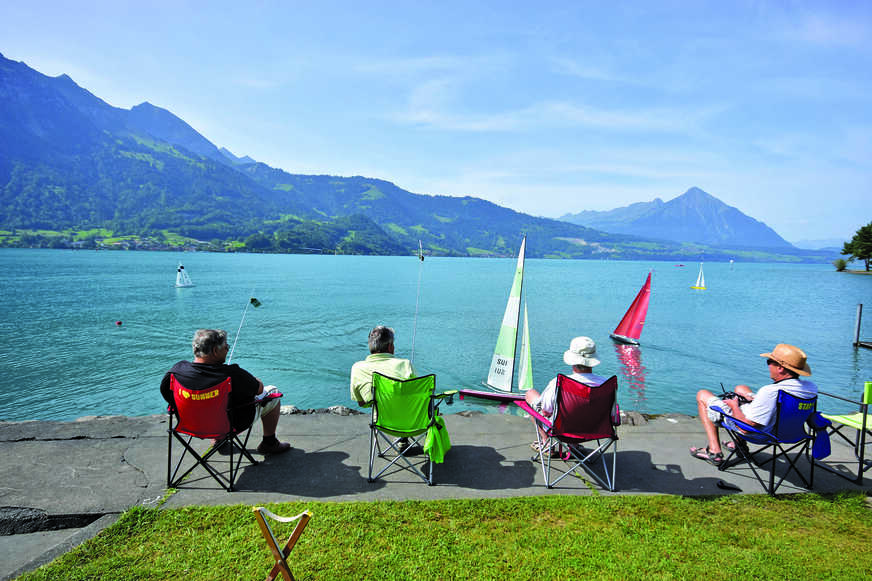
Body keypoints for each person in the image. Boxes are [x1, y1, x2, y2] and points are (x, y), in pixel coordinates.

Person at [160, 329, 291, 455]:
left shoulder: (176, 371)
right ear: (215, 351)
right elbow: (259, 389)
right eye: (226, 346)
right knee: (273, 392)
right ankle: (269, 443)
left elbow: (168, 396)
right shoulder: (232, 374)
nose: (228, 349)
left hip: (190, 424)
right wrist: (254, 379)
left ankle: (218, 439)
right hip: (230, 425)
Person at [690, 343, 818, 466]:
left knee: (702, 395)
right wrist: (755, 400)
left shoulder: (770, 391)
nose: (768, 366)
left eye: (769, 362)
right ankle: (738, 445)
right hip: (790, 432)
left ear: (780, 368)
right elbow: (782, 405)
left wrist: (734, 405)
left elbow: (745, 428)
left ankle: (714, 451)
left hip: (760, 434)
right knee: (741, 388)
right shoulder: (811, 388)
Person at [524, 336, 607, 453]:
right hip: (594, 430)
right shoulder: (606, 384)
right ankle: (573, 446)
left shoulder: (559, 383)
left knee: (530, 394)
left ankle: (546, 443)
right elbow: (612, 415)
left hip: (562, 429)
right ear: (592, 362)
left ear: (572, 361)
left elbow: (546, 411)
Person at [350, 325, 416, 407]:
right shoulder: (406, 364)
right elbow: (416, 394)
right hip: (413, 418)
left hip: (380, 419)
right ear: (390, 347)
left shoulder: (357, 368)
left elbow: (362, 403)